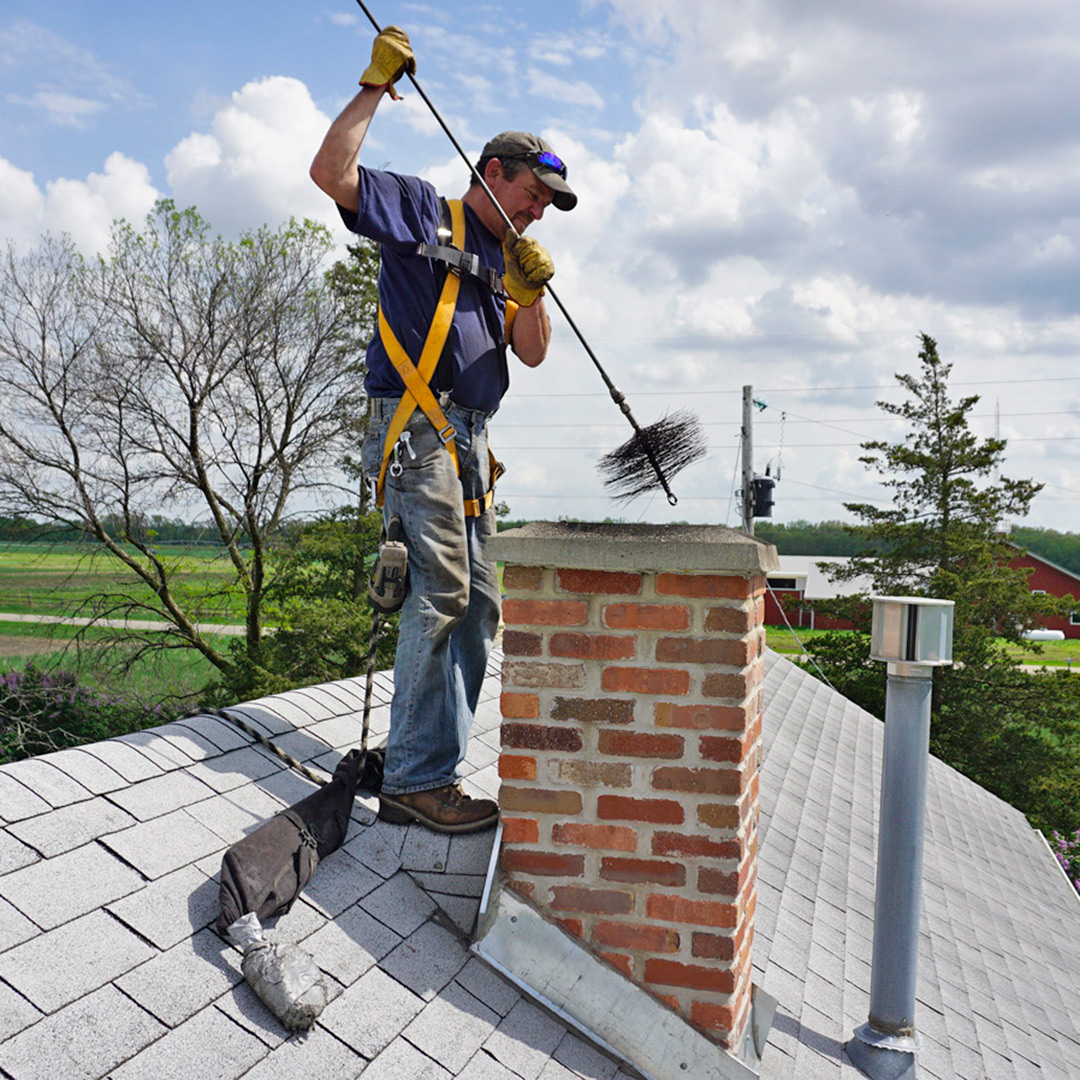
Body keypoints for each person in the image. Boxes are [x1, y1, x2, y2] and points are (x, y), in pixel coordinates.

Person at [310, 26, 576, 833]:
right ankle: (418, 781)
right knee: (444, 593)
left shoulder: (508, 261)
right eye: (533, 192)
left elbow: (529, 357)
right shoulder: (427, 210)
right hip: (418, 427)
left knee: (484, 602)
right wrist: (373, 88)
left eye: (547, 205)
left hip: (471, 443)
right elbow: (332, 175)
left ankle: (425, 761)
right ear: (492, 172)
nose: (538, 211)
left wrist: (531, 292)